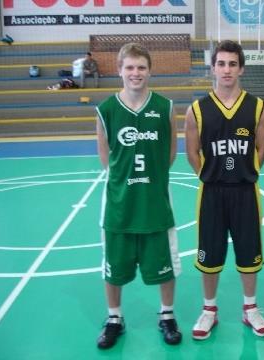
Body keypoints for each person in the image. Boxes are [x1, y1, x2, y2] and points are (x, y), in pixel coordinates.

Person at [95, 43, 182, 349]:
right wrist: (126, 181)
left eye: (141, 67)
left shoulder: (165, 107)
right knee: (113, 267)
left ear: (149, 70)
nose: (135, 73)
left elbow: (171, 152)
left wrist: (151, 178)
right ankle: (114, 318)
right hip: (119, 204)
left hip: (155, 201)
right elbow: (105, 157)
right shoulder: (106, 110)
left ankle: (167, 315)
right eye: (129, 67)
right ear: (119, 70)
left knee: (165, 265)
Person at [185, 40, 264, 340]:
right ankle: (209, 310)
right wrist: (213, 174)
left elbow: (263, 148)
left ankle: (250, 309)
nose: (226, 69)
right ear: (213, 68)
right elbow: (192, 154)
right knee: (210, 255)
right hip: (212, 193)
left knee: (249, 252)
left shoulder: (258, 107)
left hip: (245, 192)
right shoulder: (197, 109)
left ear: (241, 68)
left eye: (232, 64)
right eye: (221, 63)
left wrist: (246, 172)